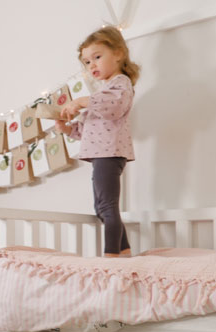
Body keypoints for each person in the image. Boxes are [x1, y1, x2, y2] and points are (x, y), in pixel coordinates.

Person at [55, 26, 140, 257]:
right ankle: (123, 253)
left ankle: (111, 256)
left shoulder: (120, 84)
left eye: (97, 57)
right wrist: (68, 128)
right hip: (102, 154)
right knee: (102, 208)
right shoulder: (103, 91)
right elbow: (87, 129)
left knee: (106, 207)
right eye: (87, 62)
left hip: (109, 154)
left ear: (119, 53)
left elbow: (111, 108)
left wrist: (81, 101)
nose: (92, 65)